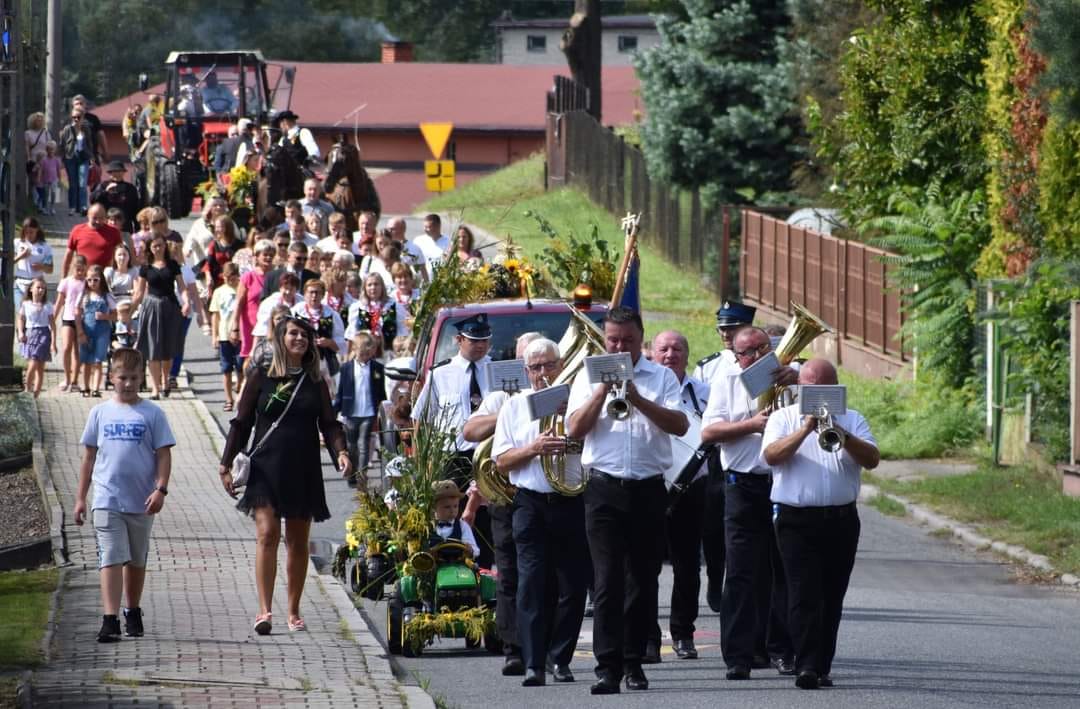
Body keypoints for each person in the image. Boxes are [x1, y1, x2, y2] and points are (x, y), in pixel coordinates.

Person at [565, 307, 688, 694]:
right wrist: (602, 391)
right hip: (603, 488)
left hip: (648, 489)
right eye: (613, 340)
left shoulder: (662, 377)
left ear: (641, 339)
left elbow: (680, 424)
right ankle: (608, 667)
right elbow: (574, 429)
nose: (619, 347)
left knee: (643, 581)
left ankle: (634, 662)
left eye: (628, 340)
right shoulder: (588, 374)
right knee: (606, 582)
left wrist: (636, 397)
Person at [219, 317, 350, 635]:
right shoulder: (261, 375)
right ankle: (264, 610)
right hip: (266, 467)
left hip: (303, 468)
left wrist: (341, 452)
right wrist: (225, 464)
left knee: (297, 541)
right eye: (293, 333)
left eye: (305, 335)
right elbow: (242, 422)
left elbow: (329, 423)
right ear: (280, 338)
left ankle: (293, 611)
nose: (300, 339)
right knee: (267, 534)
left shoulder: (315, 380)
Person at [762, 358, 879, 690]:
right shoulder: (783, 418)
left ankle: (822, 664)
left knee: (832, 594)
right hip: (796, 520)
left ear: (837, 386)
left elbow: (872, 459)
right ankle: (807, 665)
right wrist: (805, 429)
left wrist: (842, 434)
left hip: (842, 519)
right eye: (812, 388)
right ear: (800, 388)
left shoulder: (853, 418)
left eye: (826, 387)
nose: (819, 394)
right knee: (803, 593)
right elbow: (771, 456)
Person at [701, 326, 798, 679]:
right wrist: (752, 425)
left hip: (783, 484)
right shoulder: (727, 380)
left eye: (762, 348)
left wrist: (799, 381)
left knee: (783, 571)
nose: (756, 357)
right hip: (743, 486)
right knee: (741, 573)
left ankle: (781, 651)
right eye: (747, 352)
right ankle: (738, 656)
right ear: (736, 355)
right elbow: (709, 432)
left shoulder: (793, 377)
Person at [492, 337, 588, 687]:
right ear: (526, 371)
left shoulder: (579, 401)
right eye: (535, 368)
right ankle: (533, 663)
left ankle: (559, 658)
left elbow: (594, 447)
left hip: (570, 501)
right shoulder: (514, 406)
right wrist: (533, 448)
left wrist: (572, 436)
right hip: (530, 502)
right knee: (531, 583)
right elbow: (502, 461)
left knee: (573, 586)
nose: (543, 373)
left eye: (549, 365)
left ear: (561, 366)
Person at [73, 347, 175, 643]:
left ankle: (132, 609)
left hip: (142, 500)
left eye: (133, 377)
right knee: (111, 555)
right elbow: (88, 458)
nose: (128, 383)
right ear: (111, 378)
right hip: (107, 498)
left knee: (136, 559)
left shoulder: (152, 413)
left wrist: (161, 489)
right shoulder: (99, 413)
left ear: (142, 377)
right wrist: (81, 498)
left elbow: (164, 454)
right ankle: (110, 618)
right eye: (122, 378)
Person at [461, 331, 543, 677]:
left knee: (545, 573)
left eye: (541, 362)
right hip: (505, 494)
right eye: (528, 361)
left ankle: (544, 646)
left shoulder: (557, 394)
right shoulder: (501, 397)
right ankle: (513, 648)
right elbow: (469, 431)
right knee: (508, 573)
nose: (536, 369)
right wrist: (510, 413)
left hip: (544, 494)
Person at [646, 329, 712, 662]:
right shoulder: (644, 387)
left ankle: (683, 634)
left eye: (677, 349)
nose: (670, 354)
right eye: (663, 349)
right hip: (651, 485)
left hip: (692, 489)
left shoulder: (704, 392)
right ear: (652, 352)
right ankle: (648, 638)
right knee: (646, 566)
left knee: (688, 567)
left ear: (687, 354)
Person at [691, 300, 756, 612]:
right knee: (714, 524)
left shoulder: (764, 363)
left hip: (751, 450)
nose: (726, 334)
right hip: (716, 453)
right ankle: (716, 578)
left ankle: (743, 586)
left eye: (733, 328)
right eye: (722, 329)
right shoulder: (709, 366)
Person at [130, 233, 187, 399]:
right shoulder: (145, 267)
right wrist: (130, 312)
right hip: (151, 307)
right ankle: (155, 388)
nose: (158, 248)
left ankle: (165, 379)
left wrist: (187, 302)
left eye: (160, 245)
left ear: (165, 246)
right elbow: (139, 292)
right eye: (154, 246)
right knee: (153, 349)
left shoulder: (173, 265)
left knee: (168, 350)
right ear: (150, 248)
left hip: (170, 307)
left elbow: (182, 287)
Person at [334, 331, 386, 486]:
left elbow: (381, 391)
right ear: (354, 350)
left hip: (368, 412)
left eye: (368, 354)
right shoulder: (346, 368)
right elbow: (341, 391)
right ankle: (352, 473)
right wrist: (335, 410)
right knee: (351, 446)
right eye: (362, 354)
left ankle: (362, 475)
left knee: (363, 444)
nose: (365, 357)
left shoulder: (377, 368)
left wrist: (382, 408)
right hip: (351, 412)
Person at [290, 278, 345, 383]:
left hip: (325, 362)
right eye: (311, 292)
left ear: (323, 295)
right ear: (305, 294)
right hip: (300, 360)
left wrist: (329, 342)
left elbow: (341, 345)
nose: (314, 296)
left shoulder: (331, 314)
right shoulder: (296, 312)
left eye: (317, 292)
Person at [76, 265, 118, 397]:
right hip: (87, 330)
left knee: (98, 360)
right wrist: (80, 332)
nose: (92, 283)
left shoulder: (107, 296)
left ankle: (95, 388)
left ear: (101, 280)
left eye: (95, 280)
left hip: (102, 331)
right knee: (86, 360)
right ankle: (86, 387)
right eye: (89, 280)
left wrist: (105, 316)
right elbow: (77, 314)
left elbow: (115, 315)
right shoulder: (84, 296)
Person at [235, 239, 277, 367]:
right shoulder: (248, 277)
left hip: (271, 325)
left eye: (271, 255)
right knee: (249, 359)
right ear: (257, 256)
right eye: (265, 254)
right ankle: (245, 379)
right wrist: (235, 326)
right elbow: (239, 302)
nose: (268, 257)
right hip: (250, 325)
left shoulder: (277, 276)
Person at [210, 263, 243, 411]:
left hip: (240, 335)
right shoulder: (219, 292)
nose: (230, 280)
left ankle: (240, 390)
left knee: (241, 366)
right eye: (227, 277)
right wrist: (214, 335)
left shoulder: (242, 289)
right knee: (226, 368)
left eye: (233, 277)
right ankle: (229, 399)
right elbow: (215, 315)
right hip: (224, 334)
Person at [54, 255, 88, 393]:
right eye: (77, 269)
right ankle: (67, 378)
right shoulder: (66, 282)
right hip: (68, 317)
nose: (80, 273)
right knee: (66, 347)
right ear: (73, 268)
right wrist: (52, 318)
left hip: (82, 319)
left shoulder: (87, 283)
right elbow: (59, 302)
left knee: (77, 351)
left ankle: (75, 380)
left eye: (82, 270)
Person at [17, 276, 55, 398]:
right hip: (30, 334)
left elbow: (52, 325)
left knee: (39, 366)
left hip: (43, 335)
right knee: (32, 364)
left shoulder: (48, 305)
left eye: (43, 288)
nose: (40, 290)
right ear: (31, 289)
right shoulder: (26, 304)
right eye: (38, 287)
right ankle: (28, 390)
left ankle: (36, 393)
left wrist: (53, 342)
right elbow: (21, 319)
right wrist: (21, 332)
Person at [345, 273, 396, 354]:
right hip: (365, 354)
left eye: (376, 284)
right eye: (369, 285)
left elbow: (401, 332)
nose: (373, 287)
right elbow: (351, 335)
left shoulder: (392, 305)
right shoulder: (358, 307)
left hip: (388, 353)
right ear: (364, 288)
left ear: (382, 286)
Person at [430, 481, 480, 558]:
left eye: (455, 506)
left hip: (458, 563)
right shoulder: (428, 527)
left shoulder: (462, 526)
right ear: (434, 508)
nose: (452, 510)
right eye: (447, 507)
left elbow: (476, 551)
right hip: (434, 563)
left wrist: (470, 550)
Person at [13, 217, 54, 312]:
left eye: (31, 232)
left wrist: (42, 267)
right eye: (26, 232)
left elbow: (50, 269)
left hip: (36, 284)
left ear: (37, 230)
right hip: (20, 283)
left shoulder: (45, 246)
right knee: (21, 312)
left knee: (35, 312)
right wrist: (20, 256)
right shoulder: (17, 243)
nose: (29, 235)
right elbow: (9, 263)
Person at [59, 108, 94, 215]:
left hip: (83, 158)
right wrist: (62, 159)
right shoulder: (67, 129)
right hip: (70, 158)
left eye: (78, 117)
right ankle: (72, 207)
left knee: (82, 183)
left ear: (83, 117)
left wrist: (91, 157)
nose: (76, 119)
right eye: (74, 117)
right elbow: (62, 144)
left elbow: (90, 143)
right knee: (73, 184)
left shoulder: (86, 128)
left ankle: (83, 207)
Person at [90, 161, 141, 234]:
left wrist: (137, 228)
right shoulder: (103, 185)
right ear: (110, 173)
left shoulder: (130, 188)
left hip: (124, 227)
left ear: (123, 173)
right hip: (106, 225)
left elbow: (135, 209)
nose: (117, 174)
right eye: (114, 172)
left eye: (119, 171)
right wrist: (105, 192)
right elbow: (92, 200)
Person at [35, 141, 64, 214]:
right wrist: (39, 178)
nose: (51, 151)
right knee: (46, 194)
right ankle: (45, 207)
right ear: (47, 150)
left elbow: (58, 170)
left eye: (52, 149)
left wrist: (60, 179)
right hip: (45, 180)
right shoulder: (44, 160)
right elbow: (40, 170)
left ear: (55, 150)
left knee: (53, 193)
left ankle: (52, 207)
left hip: (54, 180)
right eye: (49, 149)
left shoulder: (56, 160)